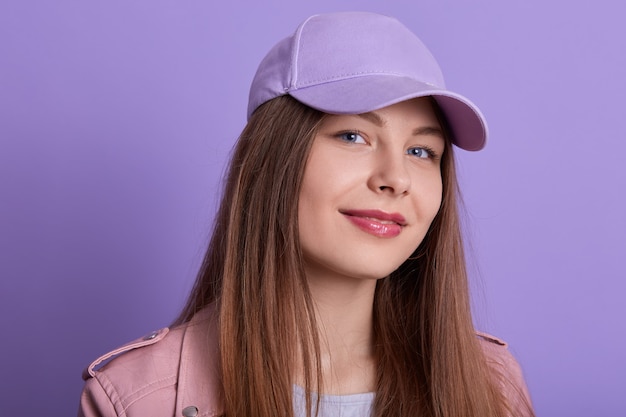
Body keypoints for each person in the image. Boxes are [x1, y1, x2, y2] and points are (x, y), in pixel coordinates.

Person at [78, 11, 534, 417]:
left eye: (421, 150)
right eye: (353, 136)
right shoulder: (136, 398)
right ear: (270, 160)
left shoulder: (492, 386)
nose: (396, 177)